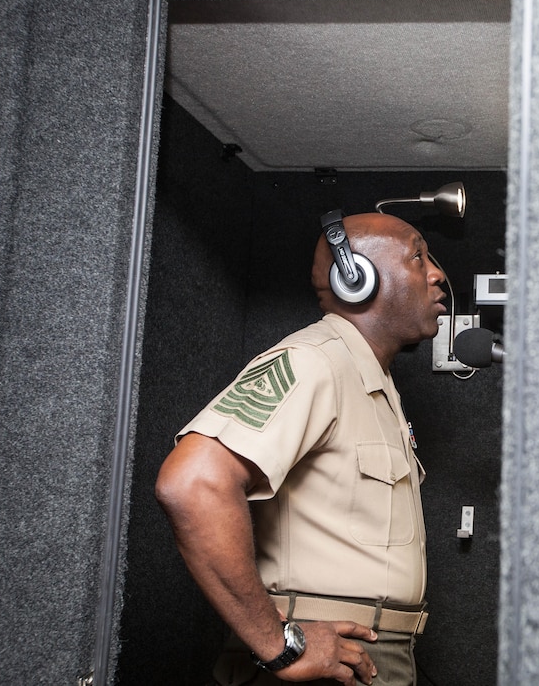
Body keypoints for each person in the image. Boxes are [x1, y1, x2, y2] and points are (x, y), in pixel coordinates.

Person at [156, 212, 448, 685]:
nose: (437, 274)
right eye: (419, 257)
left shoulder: (371, 382)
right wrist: (280, 645)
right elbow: (193, 482)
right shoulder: (313, 361)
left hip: (375, 651)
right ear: (356, 277)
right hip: (326, 655)